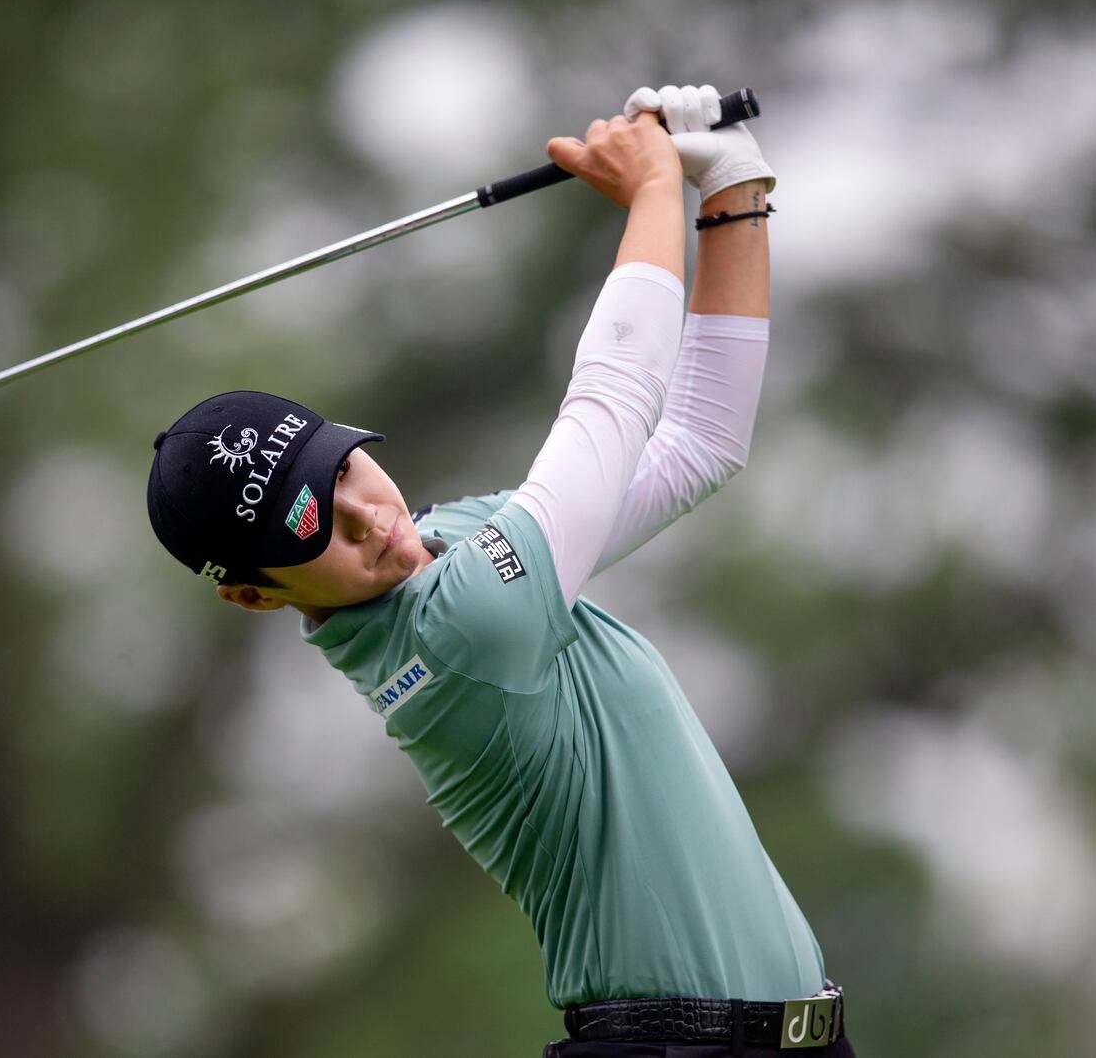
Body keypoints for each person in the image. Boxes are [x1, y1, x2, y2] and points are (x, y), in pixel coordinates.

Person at [146, 84, 856, 1057]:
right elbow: (614, 390)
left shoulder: (459, 547)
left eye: (342, 465)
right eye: (311, 520)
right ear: (254, 590)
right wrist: (652, 190)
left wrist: (727, 188)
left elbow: (698, 442)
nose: (367, 514)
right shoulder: (462, 623)